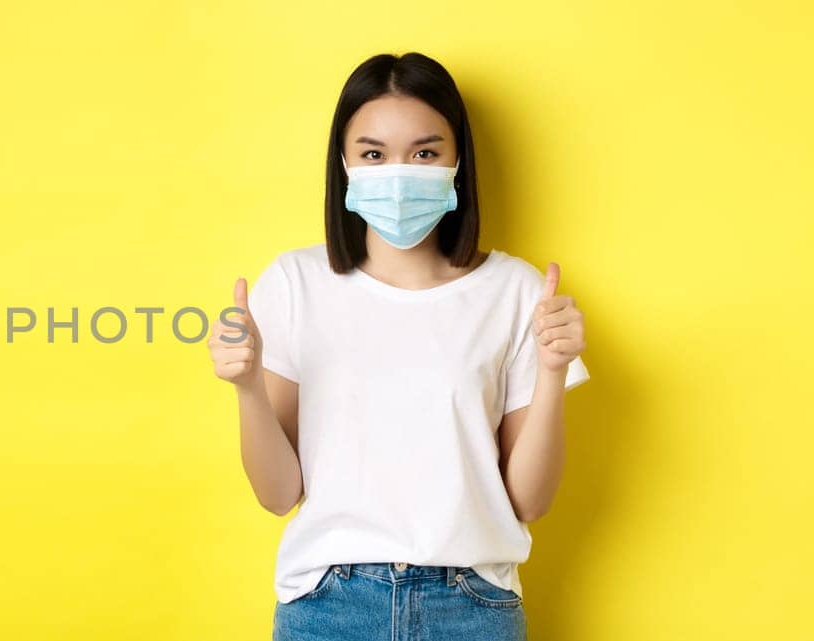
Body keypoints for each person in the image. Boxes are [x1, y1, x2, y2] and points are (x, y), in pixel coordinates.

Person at [206, 52, 590, 641]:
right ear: (345, 164)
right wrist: (247, 387)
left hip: (472, 606)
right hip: (327, 606)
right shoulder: (293, 283)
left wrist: (551, 371)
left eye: (425, 152)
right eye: (373, 153)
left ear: (457, 160)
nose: (399, 171)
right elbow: (278, 494)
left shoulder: (515, 291)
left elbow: (530, 501)